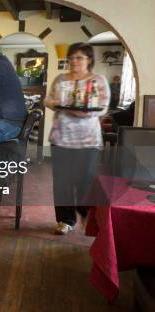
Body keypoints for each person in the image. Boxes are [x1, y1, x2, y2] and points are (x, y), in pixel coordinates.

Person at [44, 42, 110, 235]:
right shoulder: (61, 79)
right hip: (61, 138)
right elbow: (48, 99)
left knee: (85, 181)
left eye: (79, 57)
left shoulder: (98, 80)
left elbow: (103, 106)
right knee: (62, 181)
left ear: (89, 60)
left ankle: (88, 215)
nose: (74, 61)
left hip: (87, 140)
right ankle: (65, 220)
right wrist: (58, 104)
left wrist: (84, 113)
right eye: (71, 57)